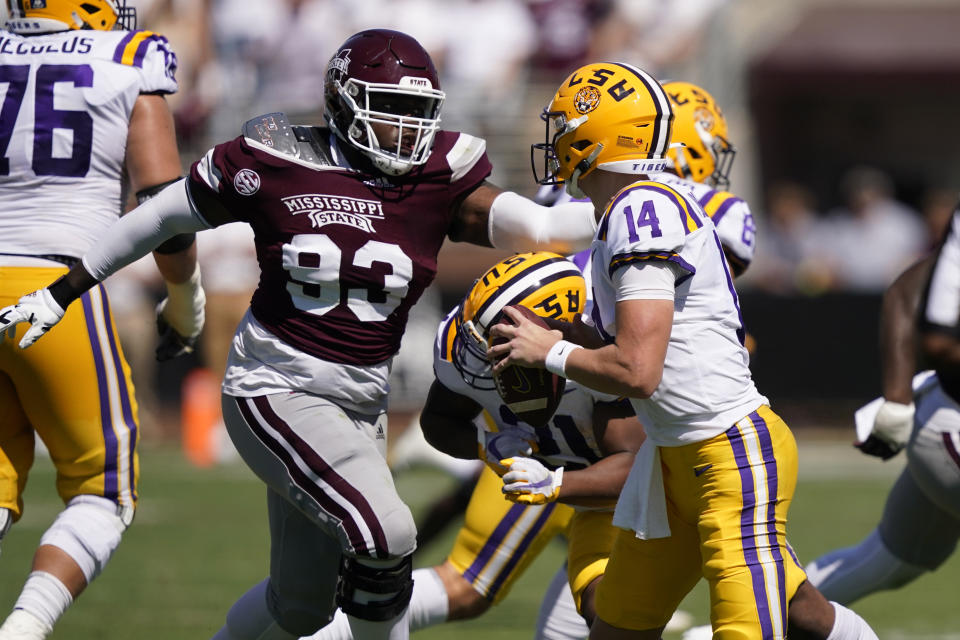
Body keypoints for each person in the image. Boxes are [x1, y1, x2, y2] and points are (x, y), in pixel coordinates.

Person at [0, 28, 598, 640]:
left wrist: (649, 203)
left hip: (360, 401)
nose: (410, 129)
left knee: (302, 605)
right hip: (275, 385)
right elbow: (158, 216)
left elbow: (548, 226)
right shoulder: (276, 160)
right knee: (386, 535)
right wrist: (62, 290)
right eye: (392, 110)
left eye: (420, 113)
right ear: (344, 102)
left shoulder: (436, 179)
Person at [492, 61, 877, 639]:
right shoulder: (622, 212)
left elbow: (638, 371)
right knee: (616, 629)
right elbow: (636, 356)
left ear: (599, 133)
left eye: (567, 126)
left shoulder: (641, 208)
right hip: (673, 461)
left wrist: (549, 352)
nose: (557, 141)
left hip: (730, 456)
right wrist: (566, 334)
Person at [302, 251, 648, 640]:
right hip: (587, 502)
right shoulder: (465, 345)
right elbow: (439, 420)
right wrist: (487, 443)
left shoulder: (601, 354)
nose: (482, 350)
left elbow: (634, 467)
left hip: (662, 491)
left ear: (558, 333)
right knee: (602, 616)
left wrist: (553, 484)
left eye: (504, 335)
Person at [0, 2, 205, 639]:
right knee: (102, 491)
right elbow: (163, 205)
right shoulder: (126, 56)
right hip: (53, 287)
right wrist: (186, 298)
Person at [805, 212, 960, 604]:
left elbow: (905, 291)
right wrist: (895, 402)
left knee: (890, 559)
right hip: (952, 421)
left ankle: (733, 629)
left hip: (940, 418)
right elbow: (911, 294)